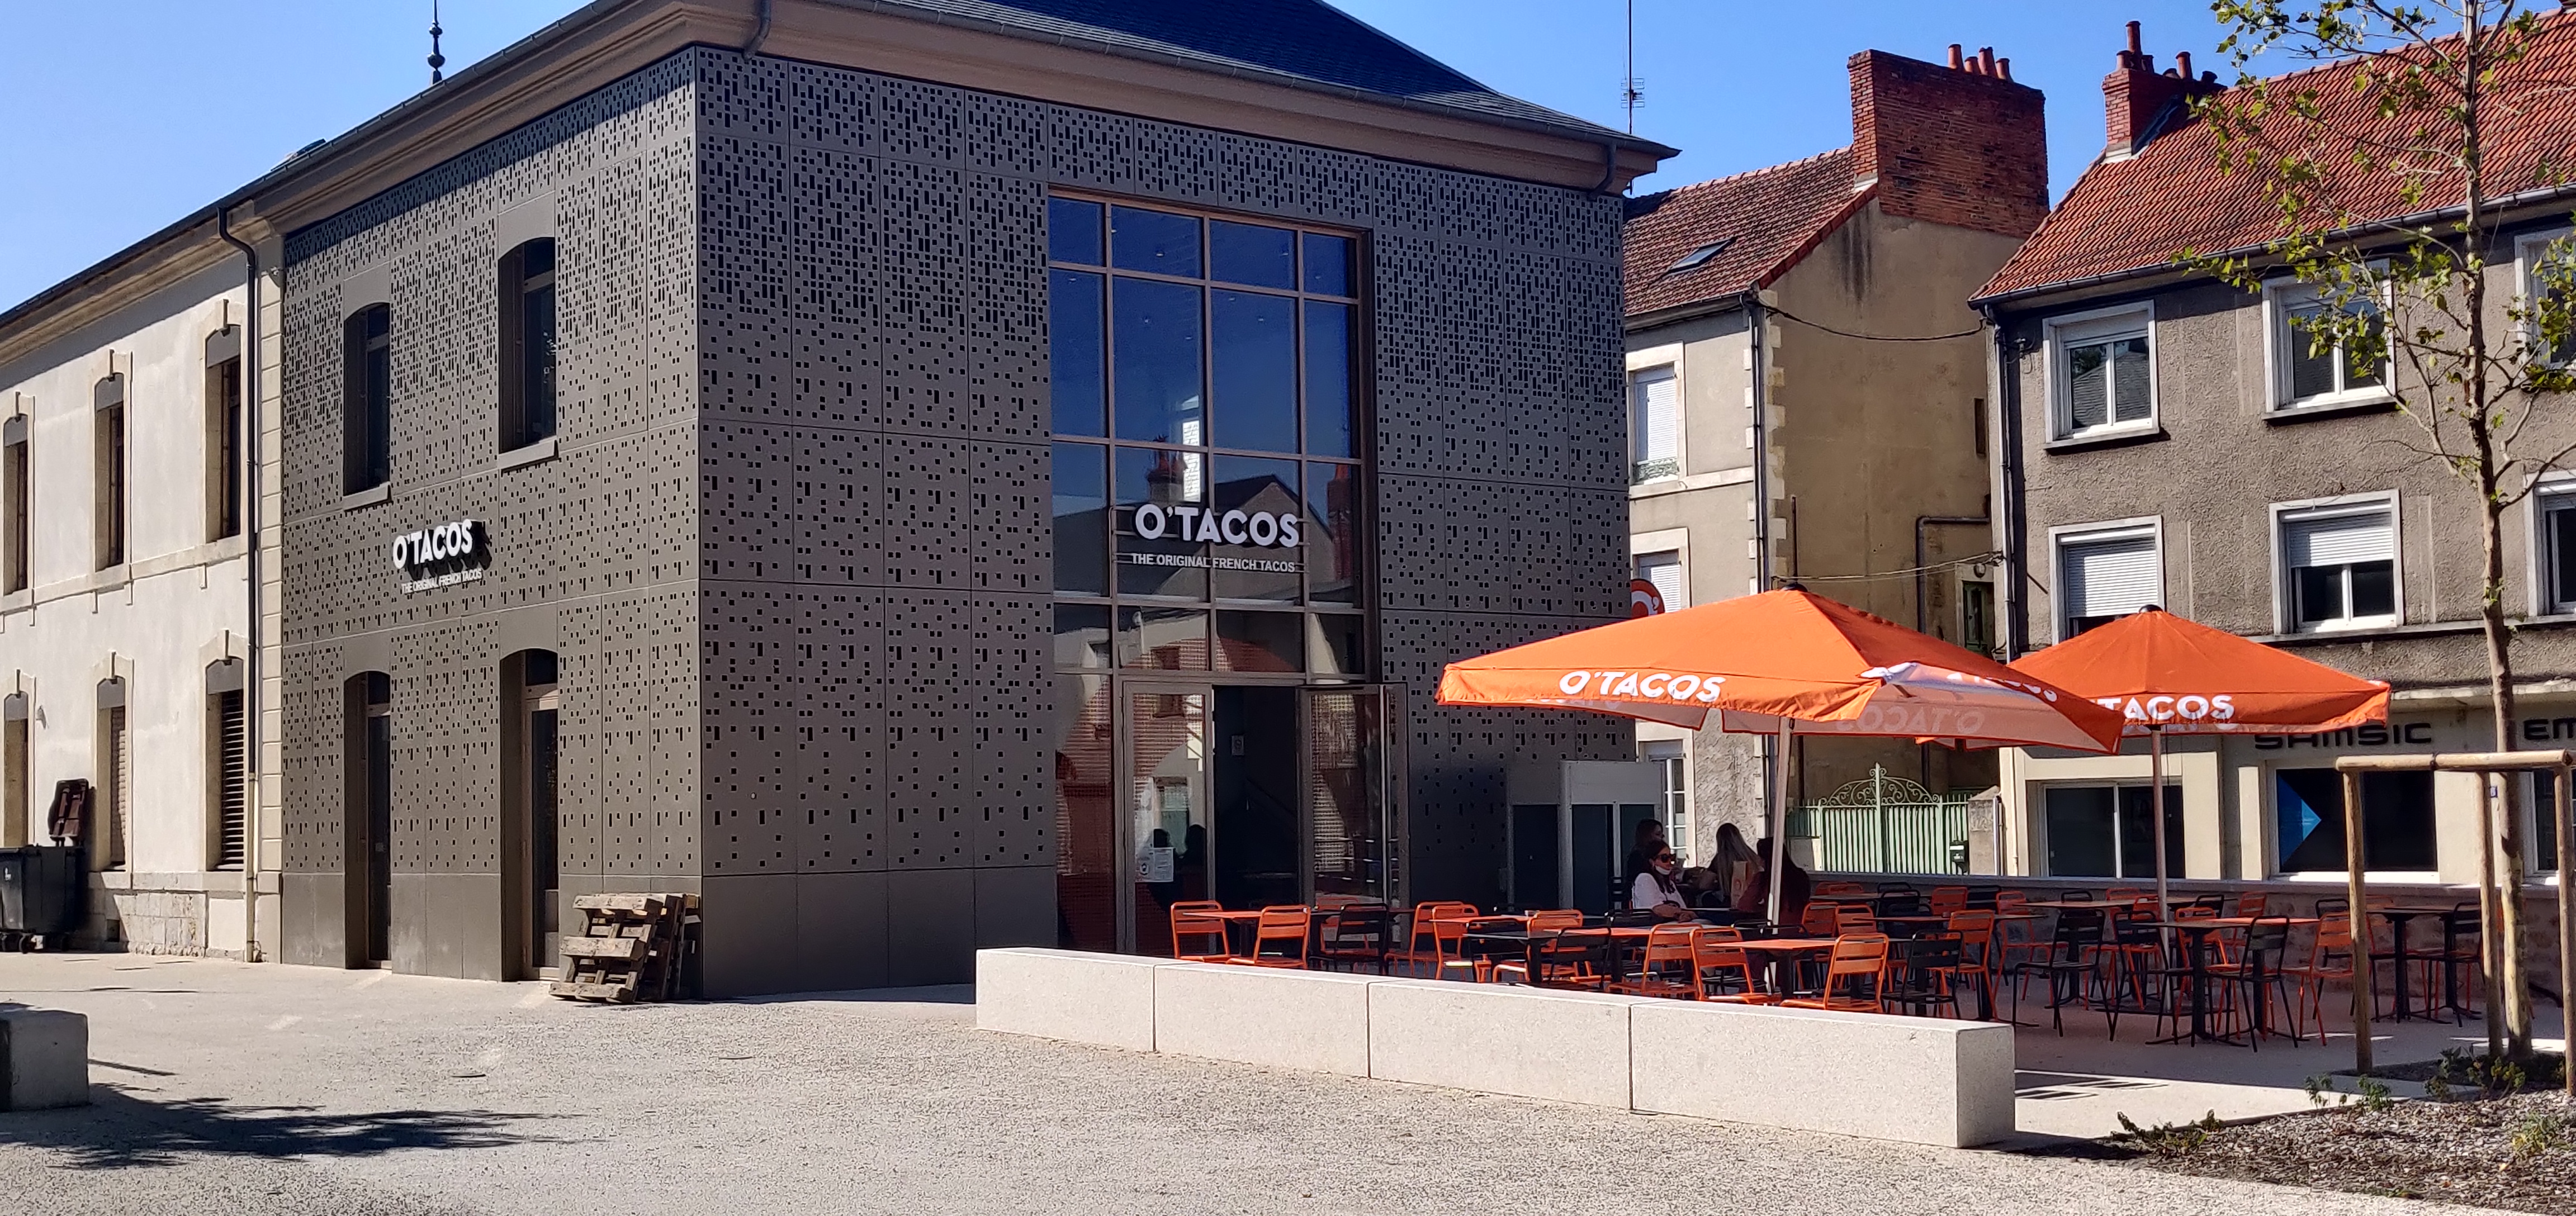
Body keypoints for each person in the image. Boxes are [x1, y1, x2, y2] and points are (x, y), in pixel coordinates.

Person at [1737, 837, 1811, 927]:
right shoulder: (1801, 876)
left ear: (1764, 859)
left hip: (1777, 928)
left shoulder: (1763, 878)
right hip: (1803, 928)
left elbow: (1745, 905)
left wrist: (1764, 909)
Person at [1629, 847, 1690, 922]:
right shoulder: (1645, 878)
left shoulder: (1669, 883)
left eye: (1672, 857)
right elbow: (1656, 910)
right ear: (1652, 862)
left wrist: (1686, 914)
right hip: (1653, 926)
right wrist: (1681, 913)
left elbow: (1684, 908)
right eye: (1664, 858)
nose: (1669, 862)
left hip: (1673, 924)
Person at [1713, 823, 1759, 909]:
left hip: (1730, 902)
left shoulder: (1720, 859)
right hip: (1752, 899)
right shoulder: (1750, 855)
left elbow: (1706, 882)